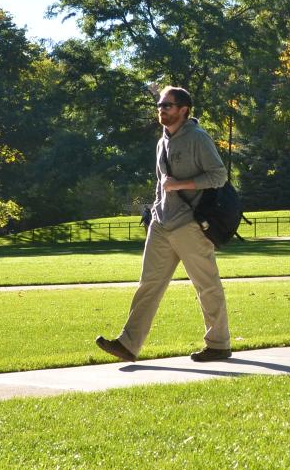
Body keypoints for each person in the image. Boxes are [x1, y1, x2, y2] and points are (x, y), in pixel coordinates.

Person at [96, 86, 232, 363]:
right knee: (149, 284)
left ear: (183, 109)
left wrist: (181, 185)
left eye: (167, 105)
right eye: (159, 105)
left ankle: (219, 344)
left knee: (206, 285)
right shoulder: (162, 142)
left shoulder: (198, 138)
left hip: (189, 225)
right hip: (162, 223)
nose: (161, 109)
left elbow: (219, 176)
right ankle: (128, 345)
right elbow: (162, 185)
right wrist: (153, 212)